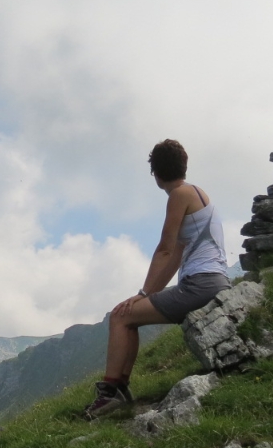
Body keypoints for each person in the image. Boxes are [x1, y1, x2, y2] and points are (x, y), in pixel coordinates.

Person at [84, 139, 231, 419]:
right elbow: (176, 255)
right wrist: (149, 295)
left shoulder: (179, 195)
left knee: (120, 316)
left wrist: (142, 293)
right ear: (183, 166)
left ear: (156, 174)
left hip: (200, 284)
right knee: (130, 317)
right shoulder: (197, 194)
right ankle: (119, 391)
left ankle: (110, 394)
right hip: (214, 280)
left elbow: (164, 248)